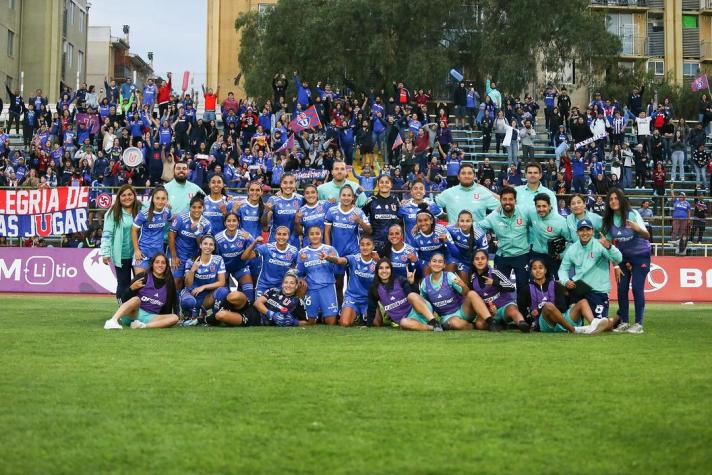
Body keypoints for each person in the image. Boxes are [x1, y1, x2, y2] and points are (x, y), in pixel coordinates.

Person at [558, 218, 623, 332]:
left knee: (600, 324)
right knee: (569, 320)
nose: (585, 233)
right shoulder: (572, 249)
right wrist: (565, 281)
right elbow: (563, 269)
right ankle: (578, 323)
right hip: (579, 289)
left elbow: (618, 258)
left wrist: (609, 246)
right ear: (577, 232)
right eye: (581, 230)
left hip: (598, 290)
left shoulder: (600, 245)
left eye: (587, 230)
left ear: (592, 231)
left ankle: (616, 318)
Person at [601, 189, 651, 334]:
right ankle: (624, 322)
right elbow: (609, 245)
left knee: (636, 288)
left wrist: (637, 228)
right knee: (622, 289)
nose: (613, 201)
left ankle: (638, 324)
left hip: (640, 255)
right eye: (610, 199)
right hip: (622, 258)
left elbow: (647, 235)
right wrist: (615, 264)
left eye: (616, 198)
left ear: (621, 200)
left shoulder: (632, 214)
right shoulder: (609, 220)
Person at [479, 187, 531, 312]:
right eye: (504, 199)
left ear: (515, 200)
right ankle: (500, 316)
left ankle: (524, 316)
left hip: (522, 255)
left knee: (523, 287)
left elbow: (537, 224)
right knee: (499, 286)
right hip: (502, 256)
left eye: (510, 199)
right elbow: (478, 227)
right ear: (500, 201)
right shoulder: (494, 216)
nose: (507, 202)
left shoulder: (525, 212)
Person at [522, 258, 604, 334]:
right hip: (546, 322)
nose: (538, 271)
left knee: (583, 302)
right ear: (531, 271)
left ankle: (593, 325)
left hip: (562, 319)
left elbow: (562, 307)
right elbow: (523, 311)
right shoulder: (526, 289)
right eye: (534, 268)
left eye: (540, 268)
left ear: (545, 270)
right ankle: (573, 330)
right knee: (548, 306)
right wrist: (531, 315)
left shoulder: (556, 285)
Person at [419, 253, 495, 331]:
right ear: (430, 263)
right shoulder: (425, 282)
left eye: (440, 262)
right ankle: (473, 325)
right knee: (455, 323)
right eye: (434, 261)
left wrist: (463, 286)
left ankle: (491, 322)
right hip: (447, 316)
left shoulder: (449, 276)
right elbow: (424, 303)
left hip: (463, 310)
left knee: (472, 293)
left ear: (444, 265)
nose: (437, 264)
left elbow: (466, 294)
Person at [103, 253, 179, 330]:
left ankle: (142, 326)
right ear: (152, 264)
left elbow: (174, 301)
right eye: (157, 262)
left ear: (166, 266)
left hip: (151, 317)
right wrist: (131, 289)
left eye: (163, 263)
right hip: (133, 314)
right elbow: (124, 299)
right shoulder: (143, 276)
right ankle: (112, 321)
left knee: (174, 317)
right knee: (136, 299)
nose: (160, 265)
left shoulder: (169, 282)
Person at [324, 185, 372, 305]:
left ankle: (354, 309)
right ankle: (340, 309)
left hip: (353, 253)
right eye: (344, 195)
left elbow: (369, 230)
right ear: (340, 196)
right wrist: (329, 250)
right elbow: (327, 232)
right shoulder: (332, 211)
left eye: (349, 195)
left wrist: (359, 221)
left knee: (354, 283)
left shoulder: (358, 212)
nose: (346, 198)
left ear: (352, 197)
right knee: (338, 283)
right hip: (337, 253)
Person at [366, 259, 442, 331]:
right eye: (381, 268)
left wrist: (412, 283)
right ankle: (433, 328)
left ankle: (434, 321)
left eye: (387, 268)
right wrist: (368, 325)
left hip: (421, 310)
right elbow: (371, 308)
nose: (384, 271)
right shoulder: (374, 288)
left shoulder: (400, 280)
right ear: (377, 270)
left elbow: (415, 296)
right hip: (408, 320)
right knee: (404, 323)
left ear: (391, 270)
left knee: (411, 295)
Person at [321, 236, 377, 327]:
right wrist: (328, 258)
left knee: (377, 323)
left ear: (373, 247)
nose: (365, 247)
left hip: (368, 299)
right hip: (352, 298)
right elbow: (340, 260)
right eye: (362, 245)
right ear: (359, 247)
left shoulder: (377, 262)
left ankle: (363, 315)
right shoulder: (354, 259)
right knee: (344, 323)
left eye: (368, 244)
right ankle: (355, 315)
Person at [469, 250, 529, 332]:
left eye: (483, 258)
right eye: (477, 259)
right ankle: (500, 325)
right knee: (479, 324)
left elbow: (511, 287)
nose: (480, 261)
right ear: (473, 262)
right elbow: (475, 299)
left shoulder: (494, 272)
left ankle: (522, 324)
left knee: (513, 311)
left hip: (504, 305)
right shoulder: (472, 279)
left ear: (487, 260)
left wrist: (494, 282)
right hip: (489, 311)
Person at [101, 184, 140, 303]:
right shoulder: (113, 212)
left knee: (141, 283)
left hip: (139, 255)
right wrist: (105, 253)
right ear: (119, 197)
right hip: (121, 255)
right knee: (123, 284)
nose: (127, 197)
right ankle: (122, 311)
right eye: (123, 195)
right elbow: (107, 233)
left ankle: (141, 311)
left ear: (134, 196)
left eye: (129, 194)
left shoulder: (141, 209)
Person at [178, 235, 228, 324]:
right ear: (200, 245)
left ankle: (214, 317)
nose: (208, 247)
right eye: (205, 244)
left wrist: (204, 287)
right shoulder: (191, 261)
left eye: (211, 244)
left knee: (223, 291)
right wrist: (193, 270)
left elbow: (221, 282)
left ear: (214, 247)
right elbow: (188, 284)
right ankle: (188, 314)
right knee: (188, 302)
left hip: (207, 297)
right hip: (192, 294)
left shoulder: (218, 260)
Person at [168, 194, 212, 290]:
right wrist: (174, 257)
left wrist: (197, 232)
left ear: (203, 208)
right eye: (194, 207)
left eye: (199, 207)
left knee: (189, 283)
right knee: (176, 282)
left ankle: (185, 303)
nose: (196, 210)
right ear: (190, 207)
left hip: (193, 257)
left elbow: (203, 245)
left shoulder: (206, 224)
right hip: (178, 255)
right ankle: (174, 304)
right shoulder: (180, 218)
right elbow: (171, 236)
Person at [297, 226, 340, 324]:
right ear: (308, 236)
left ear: (321, 235)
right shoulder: (303, 252)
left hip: (327, 287)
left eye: (317, 233)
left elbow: (337, 265)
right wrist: (301, 263)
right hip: (311, 288)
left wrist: (329, 258)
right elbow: (299, 272)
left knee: (331, 322)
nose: (315, 236)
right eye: (312, 234)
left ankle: (324, 314)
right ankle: (318, 315)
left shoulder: (330, 249)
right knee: (309, 322)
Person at [240, 226, 298, 297]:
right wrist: (254, 242)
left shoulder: (294, 251)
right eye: (279, 234)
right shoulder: (267, 247)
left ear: (288, 236)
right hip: (264, 285)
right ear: (275, 235)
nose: (281, 237)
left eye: (284, 234)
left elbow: (297, 267)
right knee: (258, 305)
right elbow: (244, 257)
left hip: (281, 287)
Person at [435, 163, 499, 224]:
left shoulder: (483, 192)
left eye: (469, 173)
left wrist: (489, 224)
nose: (466, 176)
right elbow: (431, 206)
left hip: (477, 234)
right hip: (454, 234)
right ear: (458, 177)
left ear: (474, 176)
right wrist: (443, 216)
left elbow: (504, 206)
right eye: (463, 173)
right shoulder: (448, 193)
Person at [215, 213, 256, 302]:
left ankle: (246, 313)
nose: (231, 223)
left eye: (234, 221)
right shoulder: (218, 238)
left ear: (238, 222)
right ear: (225, 223)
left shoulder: (245, 235)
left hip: (241, 268)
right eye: (228, 221)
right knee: (223, 293)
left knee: (249, 293)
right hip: (224, 269)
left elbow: (256, 249)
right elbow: (216, 258)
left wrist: (250, 239)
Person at [528, 193, 570, 278]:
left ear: (550, 206)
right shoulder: (532, 214)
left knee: (558, 284)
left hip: (554, 257)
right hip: (537, 254)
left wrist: (561, 255)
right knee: (536, 283)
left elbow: (570, 241)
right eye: (538, 206)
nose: (541, 209)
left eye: (544, 206)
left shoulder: (561, 221)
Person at [131, 186, 172, 274]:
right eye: (157, 198)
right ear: (152, 199)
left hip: (158, 254)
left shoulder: (167, 212)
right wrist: (136, 250)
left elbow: (170, 219)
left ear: (166, 200)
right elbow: (134, 230)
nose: (160, 201)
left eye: (163, 199)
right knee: (140, 283)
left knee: (156, 284)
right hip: (143, 252)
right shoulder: (143, 214)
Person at [412, 205, 459, 276]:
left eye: (426, 220)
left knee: (452, 266)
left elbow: (456, 253)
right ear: (416, 223)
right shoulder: (415, 233)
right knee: (425, 270)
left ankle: (446, 285)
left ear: (431, 220)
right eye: (420, 221)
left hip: (444, 258)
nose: (423, 223)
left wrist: (447, 241)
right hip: (427, 260)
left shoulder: (440, 230)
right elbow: (416, 256)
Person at [361, 174, 400, 253]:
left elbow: (400, 218)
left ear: (391, 185)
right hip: (375, 243)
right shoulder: (371, 200)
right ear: (378, 184)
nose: (384, 184)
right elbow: (361, 215)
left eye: (387, 182)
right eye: (381, 182)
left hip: (393, 243)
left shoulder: (396, 200)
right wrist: (368, 229)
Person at [397, 179, 442, 246]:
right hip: (411, 247)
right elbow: (397, 223)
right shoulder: (404, 207)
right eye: (415, 188)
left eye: (421, 188)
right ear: (411, 192)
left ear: (424, 192)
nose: (418, 191)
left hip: (428, 247)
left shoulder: (432, 205)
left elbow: (443, 218)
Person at [262, 174, 302, 248]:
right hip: (275, 240)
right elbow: (264, 225)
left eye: (291, 182)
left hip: (293, 241)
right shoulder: (273, 200)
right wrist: (266, 211)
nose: (288, 185)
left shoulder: (301, 199)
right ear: (281, 184)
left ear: (295, 184)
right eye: (285, 182)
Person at [447, 210, 488, 281]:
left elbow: (485, 253)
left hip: (473, 261)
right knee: (459, 278)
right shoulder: (450, 230)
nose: (465, 224)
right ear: (458, 221)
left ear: (472, 222)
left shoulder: (479, 235)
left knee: (471, 284)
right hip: (458, 259)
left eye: (468, 221)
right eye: (462, 221)